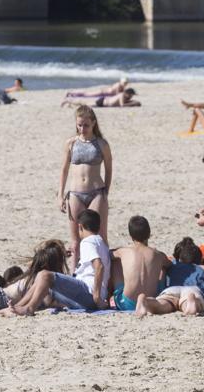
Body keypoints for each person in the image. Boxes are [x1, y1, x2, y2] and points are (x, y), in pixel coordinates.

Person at [58, 104, 112, 254]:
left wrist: (106, 191)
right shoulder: (71, 143)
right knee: (76, 242)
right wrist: (60, 195)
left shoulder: (102, 144)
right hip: (75, 194)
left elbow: (109, 169)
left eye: (86, 125)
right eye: (79, 125)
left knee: (99, 237)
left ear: (94, 123)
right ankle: (75, 275)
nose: (82, 129)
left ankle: (105, 274)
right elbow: (64, 170)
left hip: (97, 193)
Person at [0, 240, 81, 315]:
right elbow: (47, 301)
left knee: (12, 308)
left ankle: (0, 311)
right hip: (1, 297)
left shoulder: (34, 273)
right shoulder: (42, 279)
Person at [135, 237, 204, 317]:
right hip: (192, 290)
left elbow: (162, 283)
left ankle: (146, 301)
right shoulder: (202, 268)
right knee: (189, 303)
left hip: (171, 290)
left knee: (162, 304)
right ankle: (191, 301)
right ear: (198, 258)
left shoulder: (171, 265)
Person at [108, 216, 168, 312]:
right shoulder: (158, 254)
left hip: (126, 303)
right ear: (149, 234)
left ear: (131, 236)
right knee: (163, 269)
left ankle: (108, 296)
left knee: (116, 263)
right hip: (151, 301)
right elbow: (170, 264)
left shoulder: (124, 252)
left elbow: (107, 254)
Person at [63, 77, 129, 106]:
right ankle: (71, 93)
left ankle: (72, 94)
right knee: (86, 94)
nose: (125, 84)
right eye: (124, 82)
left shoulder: (121, 86)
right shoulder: (118, 85)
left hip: (104, 94)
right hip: (102, 92)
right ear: (121, 82)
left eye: (126, 83)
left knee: (86, 95)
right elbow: (117, 94)